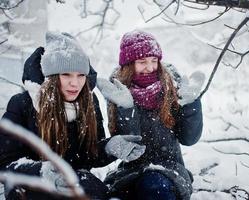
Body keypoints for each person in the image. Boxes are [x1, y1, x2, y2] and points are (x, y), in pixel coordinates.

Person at [0, 31, 145, 200]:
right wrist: (42, 172)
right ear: (51, 77)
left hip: (76, 184)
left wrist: (108, 148)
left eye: (80, 75)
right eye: (66, 74)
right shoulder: (23, 104)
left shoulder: (88, 103)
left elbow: (88, 156)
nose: (75, 83)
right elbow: (5, 164)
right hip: (29, 189)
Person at [97, 30, 204, 200]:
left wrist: (191, 105)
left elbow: (189, 138)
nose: (150, 67)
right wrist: (126, 108)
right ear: (129, 64)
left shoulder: (171, 88)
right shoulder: (119, 91)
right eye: (142, 62)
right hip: (131, 172)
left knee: (154, 185)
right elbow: (131, 144)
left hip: (170, 170)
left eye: (154, 61)